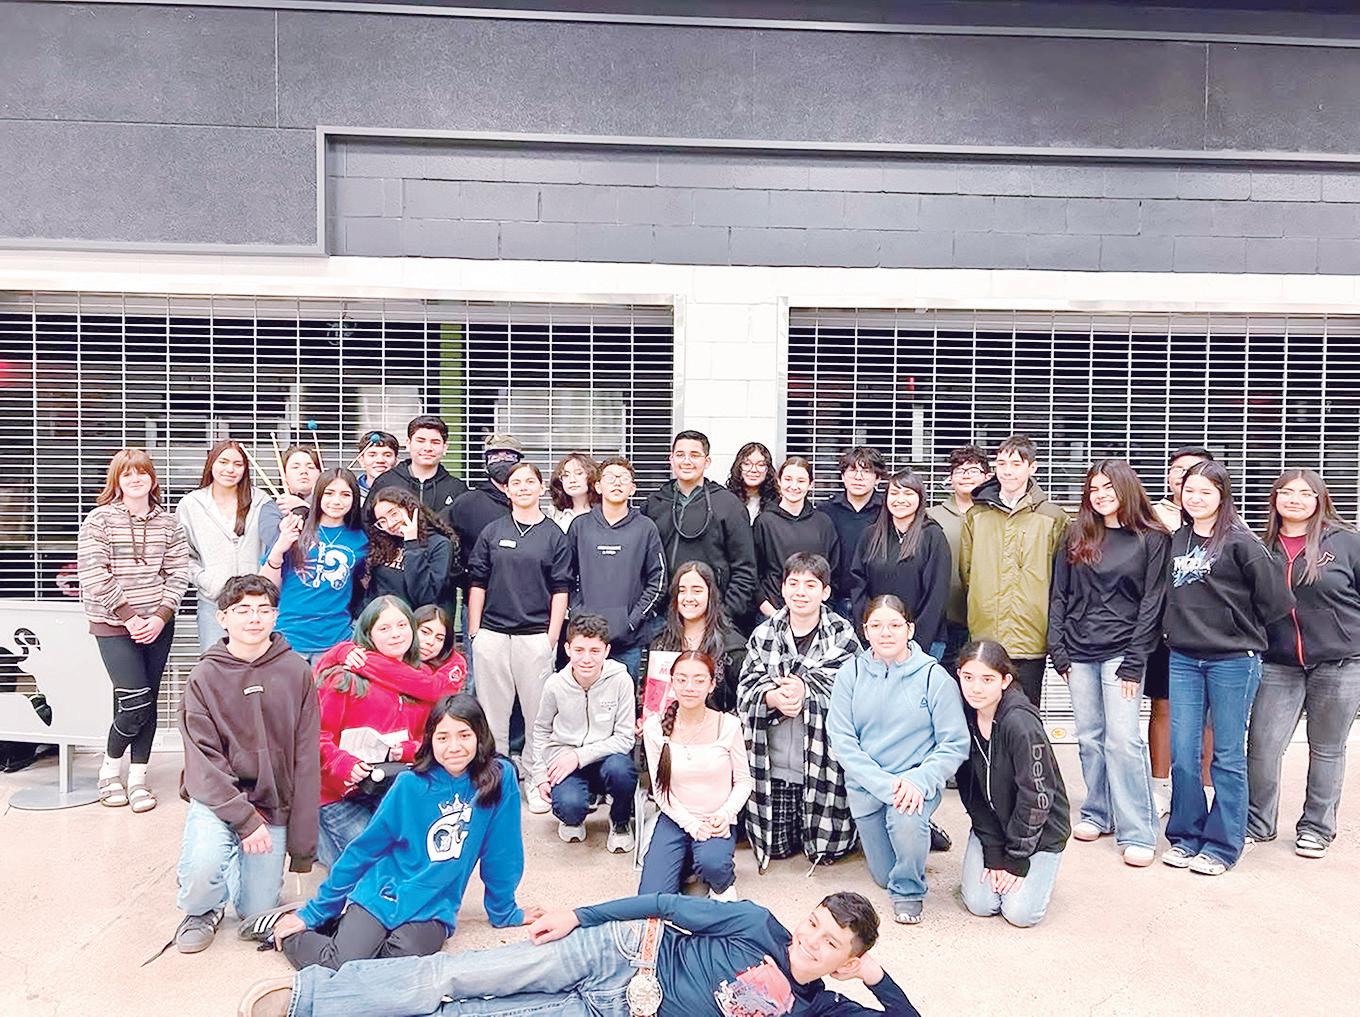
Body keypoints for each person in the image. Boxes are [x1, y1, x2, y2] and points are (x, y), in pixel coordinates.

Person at [238, 891, 921, 1017]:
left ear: (845, 960)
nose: (810, 939)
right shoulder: (756, 922)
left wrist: (877, 976)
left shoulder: (818, 1009)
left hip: (616, 1012)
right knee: (457, 973)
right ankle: (312, 998)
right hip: (621, 953)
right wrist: (579, 915)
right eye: (814, 922)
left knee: (470, 1016)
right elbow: (665, 904)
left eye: (830, 942)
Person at [258, 694, 536, 971]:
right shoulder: (410, 785)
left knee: (395, 968)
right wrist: (313, 912)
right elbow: (363, 850)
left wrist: (504, 911)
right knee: (343, 964)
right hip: (383, 893)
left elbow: (503, 851)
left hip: (434, 908)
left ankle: (338, 928)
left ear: (480, 736)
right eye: (443, 738)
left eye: (464, 735)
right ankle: (288, 931)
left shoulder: (498, 779)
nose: (454, 747)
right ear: (430, 740)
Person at [173, 575, 318, 953]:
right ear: (222, 618)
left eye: (263, 610)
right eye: (242, 610)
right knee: (203, 867)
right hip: (217, 796)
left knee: (256, 914)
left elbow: (306, 757)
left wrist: (302, 846)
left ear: (275, 616)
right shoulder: (204, 676)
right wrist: (244, 820)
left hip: (272, 800)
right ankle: (202, 910)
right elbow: (203, 761)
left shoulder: (296, 671)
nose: (254, 618)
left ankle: (240, 870)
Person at [1161, 461, 1293, 876]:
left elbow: (1276, 602)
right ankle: (1186, 835)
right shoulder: (1177, 539)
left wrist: (1236, 629)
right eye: (1189, 490)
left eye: (1205, 491)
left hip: (1233, 662)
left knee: (1227, 755)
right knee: (1184, 754)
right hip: (1184, 659)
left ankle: (1223, 844)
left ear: (1222, 495)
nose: (1195, 498)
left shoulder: (1242, 542)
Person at [1047, 460, 1168, 868]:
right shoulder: (1076, 533)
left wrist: (1135, 661)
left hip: (1123, 653)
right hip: (1078, 651)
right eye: (1093, 489)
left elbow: (1152, 604)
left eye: (1108, 488)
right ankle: (1099, 812)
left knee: (1123, 741)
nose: (1099, 495)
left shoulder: (1152, 538)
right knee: (1089, 737)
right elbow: (1059, 593)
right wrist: (1057, 648)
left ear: (1127, 489)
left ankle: (1138, 831)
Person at [826, 595, 967, 925]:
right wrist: (885, 785)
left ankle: (910, 891)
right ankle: (920, 836)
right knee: (883, 875)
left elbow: (954, 743)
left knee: (905, 829)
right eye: (876, 625)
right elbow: (843, 741)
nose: (885, 633)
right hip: (869, 787)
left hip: (914, 786)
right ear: (865, 631)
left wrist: (917, 781)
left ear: (910, 629)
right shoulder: (850, 674)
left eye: (894, 625)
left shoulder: (933, 677)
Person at [1248, 469, 1360, 860]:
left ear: (1319, 499)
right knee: (1263, 746)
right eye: (1286, 492)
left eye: (1305, 493)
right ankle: (1257, 823)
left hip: (1339, 662)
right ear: (1275, 498)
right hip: (1278, 662)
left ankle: (1316, 828)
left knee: (1326, 748)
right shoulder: (1260, 547)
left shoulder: (1346, 542)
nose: (1294, 499)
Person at [79, 447, 191, 812]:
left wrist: (160, 616)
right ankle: (109, 770)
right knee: (135, 701)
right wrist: (129, 616)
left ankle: (138, 777)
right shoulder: (98, 520)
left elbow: (179, 573)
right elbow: (94, 572)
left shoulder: (169, 524)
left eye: (142, 472)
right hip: (113, 623)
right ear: (117, 480)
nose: (135, 478)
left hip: (157, 624)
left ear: (152, 479)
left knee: (149, 700)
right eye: (127, 473)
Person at [310, 596, 461, 867]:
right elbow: (313, 736)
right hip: (340, 794)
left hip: (394, 787)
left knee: (421, 859)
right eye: (384, 628)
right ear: (368, 633)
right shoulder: (343, 677)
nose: (396, 634)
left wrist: (407, 750)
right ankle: (318, 834)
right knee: (372, 866)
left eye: (402, 625)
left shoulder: (423, 679)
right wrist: (342, 763)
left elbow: (432, 741)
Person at [737, 552, 860, 871]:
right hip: (776, 766)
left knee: (826, 851)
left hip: (825, 767)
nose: (800, 592)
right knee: (777, 849)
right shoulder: (764, 635)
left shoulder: (843, 634)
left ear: (826, 592)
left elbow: (857, 693)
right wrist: (771, 698)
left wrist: (808, 690)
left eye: (810, 585)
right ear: (783, 588)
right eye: (793, 583)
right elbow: (745, 690)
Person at [466, 460, 571, 814]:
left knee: (537, 717)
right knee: (492, 717)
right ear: (506, 490)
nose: (523, 487)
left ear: (541, 488)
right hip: (493, 635)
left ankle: (537, 780)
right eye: (516, 483)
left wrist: (551, 637)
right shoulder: (493, 531)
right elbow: (477, 581)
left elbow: (561, 588)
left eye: (529, 482)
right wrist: (475, 631)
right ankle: (495, 782)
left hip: (535, 637)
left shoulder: (554, 535)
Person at [955, 640, 1071, 927]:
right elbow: (971, 793)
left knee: (1020, 914)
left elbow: (1037, 797)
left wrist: (1016, 860)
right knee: (981, 904)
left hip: (1038, 831)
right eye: (968, 677)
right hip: (994, 824)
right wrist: (993, 850)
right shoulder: (962, 717)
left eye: (987, 679)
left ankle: (1041, 869)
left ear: (1005, 681)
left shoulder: (1020, 723)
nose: (976, 688)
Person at [959, 434, 1069, 707]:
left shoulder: (1052, 516)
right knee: (983, 708)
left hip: (1031, 633)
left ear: (1032, 468)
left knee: (1025, 711)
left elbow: (1061, 578)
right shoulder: (977, 515)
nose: (1008, 471)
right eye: (1002, 463)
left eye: (1016, 464)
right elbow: (967, 572)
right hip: (986, 630)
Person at [640, 651, 754, 899]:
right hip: (676, 817)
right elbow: (660, 790)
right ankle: (684, 861)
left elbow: (744, 781)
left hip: (715, 819)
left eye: (699, 680)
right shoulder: (655, 727)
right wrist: (691, 825)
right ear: (672, 682)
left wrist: (725, 814)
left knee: (713, 864)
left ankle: (713, 875)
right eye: (681, 680)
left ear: (711, 685)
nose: (689, 687)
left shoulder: (728, 724)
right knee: (650, 898)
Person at [1146, 445, 1215, 815]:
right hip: (1162, 627)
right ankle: (1160, 787)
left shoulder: (1223, 521)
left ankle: (1205, 786)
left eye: (1194, 469)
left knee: (1208, 713)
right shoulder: (1152, 516)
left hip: (1209, 631)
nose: (1184, 476)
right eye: (1178, 469)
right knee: (1163, 705)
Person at [532, 613, 638, 852]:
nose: (586, 659)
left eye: (595, 651)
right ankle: (574, 814)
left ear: (607, 651)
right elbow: (541, 729)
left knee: (622, 771)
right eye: (579, 650)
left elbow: (625, 738)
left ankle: (620, 821)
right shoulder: (555, 685)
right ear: (567, 649)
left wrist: (579, 756)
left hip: (606, 760)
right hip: (565, 760)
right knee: (569, 806)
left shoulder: (621, 680)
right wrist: (539, 774)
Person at [566, 455, 666, 681]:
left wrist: (632, 620)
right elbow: (565, 576)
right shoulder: (580, 526)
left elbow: (658, 580)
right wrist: (578, 612)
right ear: (598, 486)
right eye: (610, 477)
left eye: (623, 478)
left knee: (624, 699)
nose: (617, 483)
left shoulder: (645, 528)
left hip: (628, 640)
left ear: (632, 488)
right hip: (586, 639)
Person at [644, 429, 757, 626]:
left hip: (715, 619)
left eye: (695, 455)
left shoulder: (728, 505)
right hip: (663, 619)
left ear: (707, 461)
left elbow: (745, 569)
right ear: (671, 459)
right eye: (680, 455)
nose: (686, 461)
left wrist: (723, 615)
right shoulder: (654, 504)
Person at [176, 439, 278, 652]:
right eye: (223, 462)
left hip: (256, 602)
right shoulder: (191, 504)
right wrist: (206, 581)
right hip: (213, 602)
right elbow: (182, 554)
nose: (230, 469)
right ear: (211, 463)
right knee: (216, 662)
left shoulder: (261, 501)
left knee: (256, 664)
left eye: (237, 464)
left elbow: (274, 546)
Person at [259, 468, 368, 666]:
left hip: (336, 640)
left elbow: (365, 584)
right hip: (288, 636)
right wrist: (279, 548)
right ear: (318, 495)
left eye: (345, 494)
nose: (336, 501)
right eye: (329, 493)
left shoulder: (360, 539)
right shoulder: (296, 528)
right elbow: (265, 586)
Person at [848, 468, 951, 656]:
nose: (900, 499)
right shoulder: (870, 535)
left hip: (923, 641)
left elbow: (936, 595)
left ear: (920, 498)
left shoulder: (933, 536)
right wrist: (871, 628)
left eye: (908, 493)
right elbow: (858, 584)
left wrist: (914, 641)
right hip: (878, 639)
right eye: (894, 493)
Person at [451, 432, 524, 685]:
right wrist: (464, 577)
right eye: (495, 456)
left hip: (526, 607)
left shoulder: (528, 501)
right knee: (479, 679)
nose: (502, 461)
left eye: (509, 456)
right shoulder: (467, 503)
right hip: (479, 605)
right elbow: (442, 537)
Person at [650, 560, 748, 713]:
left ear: (711, 595)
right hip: (666, 724)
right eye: (682, 591)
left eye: (696, 591)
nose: (688, 598)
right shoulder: (662, 642)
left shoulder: (733, 648)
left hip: (718, 725)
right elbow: (648, 696)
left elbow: (745, 701)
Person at [926, 445, 990, 673]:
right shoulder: (932, 516)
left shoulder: (995, 516)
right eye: (959, 471)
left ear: (987, 477)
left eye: (973, 470)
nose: (965, 476)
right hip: (944, 619)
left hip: (986, 618)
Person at [752, 456, 841, 618]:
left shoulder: (823, 523)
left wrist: (821, 610)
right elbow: (754, 572)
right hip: (772, 612)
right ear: (779, 481)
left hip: (815, 614)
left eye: (801, 481)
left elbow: (833, 571)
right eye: (788, 479)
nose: (794, 486)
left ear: (810, 484)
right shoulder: (764, 522)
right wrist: (771, 613)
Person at [364, 486, 459, 611]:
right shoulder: (384, 544)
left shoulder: (439, 544)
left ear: (409, 508)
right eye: (382, 521)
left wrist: (411, 542)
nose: (390, 524)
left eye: (394, 514)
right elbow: (373, 591)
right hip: (383, 617)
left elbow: (425, 596)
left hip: (417, 619)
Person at [820, 445, 887, 620]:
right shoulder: (825, 511)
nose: (858, 477)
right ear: (843, 476)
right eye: (852, 470)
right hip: (833, 601)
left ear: (878, 478)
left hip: (876, 602)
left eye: (866, 471)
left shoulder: (888, 512)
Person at [366, 414, 468, 526]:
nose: (428, 448)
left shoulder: (457, 488)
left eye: (435, 442)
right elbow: (368, 523)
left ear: (445, 448)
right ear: (408, 444)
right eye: (420, 441)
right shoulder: (386, 482)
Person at [260, 445, 322, 550]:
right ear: (284, 476)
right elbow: (272, 540)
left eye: (310, 467)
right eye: (295, 467)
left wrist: (304, 506)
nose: (303, 471)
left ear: (320, 474)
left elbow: (330, 535)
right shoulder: (273, 508)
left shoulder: (329, 507)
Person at [726, 440, 778, 523]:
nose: (753, 470)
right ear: (739, 467)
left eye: (760, 465)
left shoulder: (777, 502)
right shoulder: (727, 499)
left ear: (768, 470)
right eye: (747, 464)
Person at [547, 451, 599, 532]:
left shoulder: (602, 513)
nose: (572, 480)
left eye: (579, 473)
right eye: (566, 475)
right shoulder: (555, 515)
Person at [354, 430, 399, 500]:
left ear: (396, 461)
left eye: (387, 455)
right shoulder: (350, 493)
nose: (380, 460)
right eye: (372, 455)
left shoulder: (405, 490)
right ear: (361, 460)